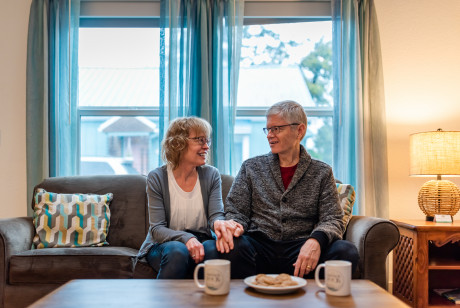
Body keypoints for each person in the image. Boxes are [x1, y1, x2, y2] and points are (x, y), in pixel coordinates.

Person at [214, 100, 359, 279]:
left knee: (346, 251)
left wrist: (316, 241)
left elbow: (332, 218)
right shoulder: (251, 167)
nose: (269, 135)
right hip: (259, 246)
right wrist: (234, 226)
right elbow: (235, 210)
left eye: (277, 129)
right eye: (268, 129)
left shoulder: (321, 171)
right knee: (230, 247)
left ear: (299, 130)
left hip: (302, 247)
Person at [137, 117, 225, 279]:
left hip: (202, 241)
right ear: (178, 143)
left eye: (207, 141)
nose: (206, 146)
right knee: (178, 251)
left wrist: (220, 223)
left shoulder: (211, 175)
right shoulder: (157, 177)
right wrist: (187, 238)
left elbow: (216, 216)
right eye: (200, 140)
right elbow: (157, 229)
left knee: (213, 250)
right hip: (164, 245)